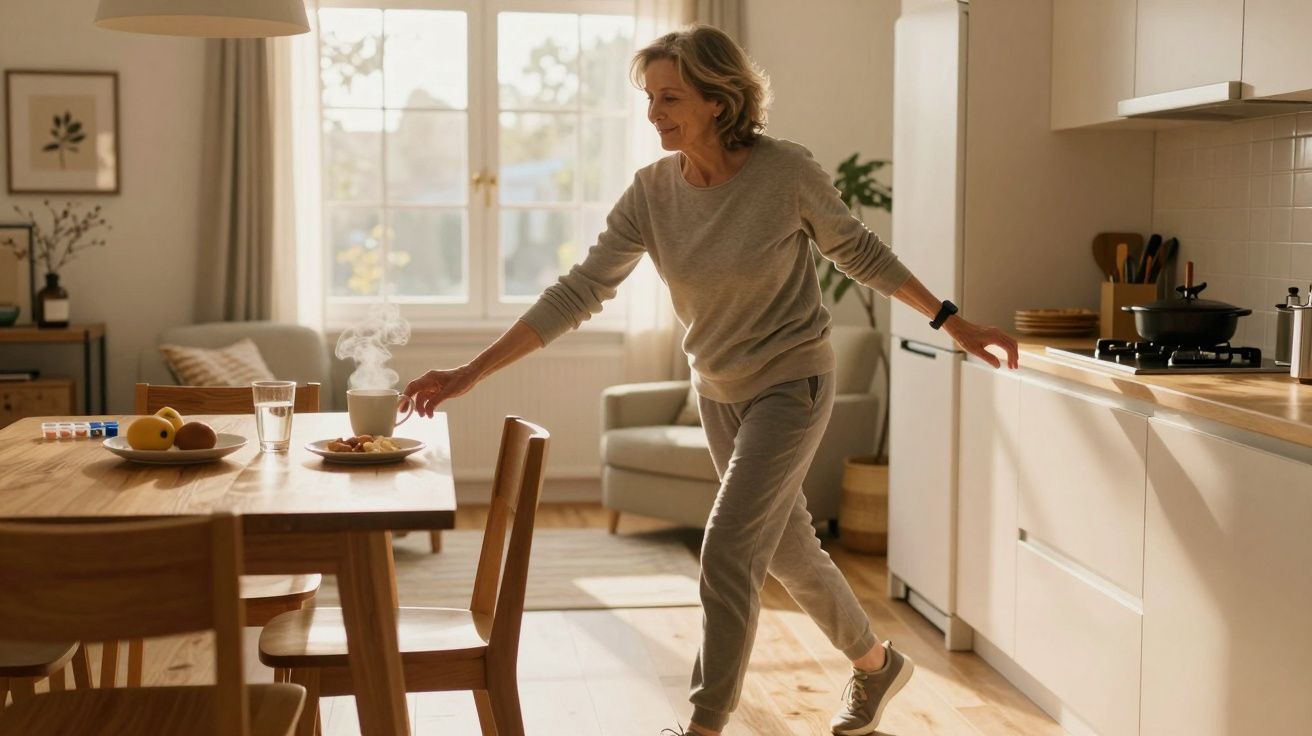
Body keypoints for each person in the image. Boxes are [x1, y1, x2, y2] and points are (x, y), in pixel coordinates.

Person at [402, 23, 1020, 736]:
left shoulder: (784, 172)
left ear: (719, 102)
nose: (654, 114)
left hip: (793, 385)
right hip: (719, 392)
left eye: (670, 98)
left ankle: (703, 726)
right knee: (789, 551)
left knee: (727, 546)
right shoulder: (652, 193)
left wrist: (954, 321)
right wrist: (472, 371)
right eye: (650, 99)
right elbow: (579, 290)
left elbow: (860, 252)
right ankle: (878, 665)